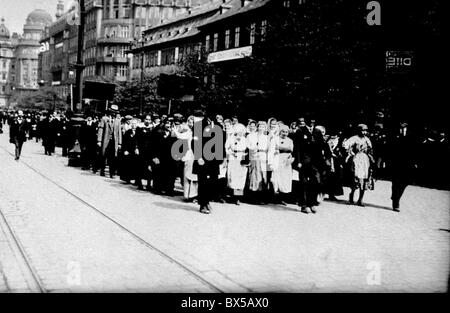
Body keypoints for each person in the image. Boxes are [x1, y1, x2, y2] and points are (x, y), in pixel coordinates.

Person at [192, 111, 224, 214]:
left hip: (214, 160)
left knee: (213, 182)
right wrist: (198, 157)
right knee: (203, 182)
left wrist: (221, 158)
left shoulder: (219, 125)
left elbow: (221, 142)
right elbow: (195, 142)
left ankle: (207, 200)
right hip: (202, 158)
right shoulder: (198, 125)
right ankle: (202, 204)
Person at [387, 121, 418, 212]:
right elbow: (389, 146)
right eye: (401, 121)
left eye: (405, 121)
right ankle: (396, 203)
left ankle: (395, 196)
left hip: (407, 162)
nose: (402, 123)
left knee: (406, 181)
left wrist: (415, 161)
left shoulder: (412, 134)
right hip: (395, 161)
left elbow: (415, 148)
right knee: (395, 181)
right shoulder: (393, 132)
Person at [345, 124, 375, 206]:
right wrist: (351, 152)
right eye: (362, 130)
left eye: (365, 131)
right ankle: (352, 194)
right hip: (356, 159)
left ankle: (360, 199)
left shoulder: (367, 139)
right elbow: (346, 145)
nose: (364, 132)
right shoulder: (354, 138)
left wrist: (370, 155)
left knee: (364, 178)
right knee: (356, 178)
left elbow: (370, 149)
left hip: (365, 160)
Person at [150, 118, 178, 195]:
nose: (168, 125)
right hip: (160, 156)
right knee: (159, 173)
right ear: (164, 124)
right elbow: (153, 146)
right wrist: (154, 157)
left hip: (170, 157)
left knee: (170, 174)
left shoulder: (174, 134)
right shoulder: (158, 132)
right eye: (167, 123)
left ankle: (169, 189)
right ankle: (157, 188)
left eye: (170, 124)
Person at [270, 124, 295, 205]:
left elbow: (291, 150)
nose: (284, 133)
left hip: (286, 162)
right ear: (280, 132)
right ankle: (274, 197)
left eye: (286, 132)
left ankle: (282, 198)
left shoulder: (290, 140)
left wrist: (280, 148)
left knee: (285, 179)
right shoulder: (275, 139)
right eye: (283, 131)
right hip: (277, 160)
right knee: (276, 178)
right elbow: (272, 150)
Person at [246, 121, 270, 204]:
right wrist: (253, 149)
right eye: (260, 126)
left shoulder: (267, 137)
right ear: (257, 127)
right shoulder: (251, 136)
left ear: (265, 128)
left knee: (263, 176)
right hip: (254, 156)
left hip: (263, 157)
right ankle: (253, 196)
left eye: (263, 127)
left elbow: (269, 148)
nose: (261, 128)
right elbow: (248, 145)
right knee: (254, 176)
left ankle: (262, 197)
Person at [225, 123, 249, 205]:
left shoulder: (245, 139)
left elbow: (249, 149)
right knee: (232, 176)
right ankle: (232, 196)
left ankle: (238, 198)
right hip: (233, 158)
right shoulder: (231, 138)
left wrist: (244, 154)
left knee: (241, 177)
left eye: (241, 131)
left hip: (241, 158)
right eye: (238, 131)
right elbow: (226, 147)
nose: (239, 133)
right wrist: (231, 153)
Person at [97, 105, 122, 178]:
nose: (113, 113)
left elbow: (119, 132)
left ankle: (112, 173)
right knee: (103, 155)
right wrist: (99, 140)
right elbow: (101, 129)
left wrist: (120, 143)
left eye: (115, 112)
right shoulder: (104, 119)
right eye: (112, 112)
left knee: (113, 157)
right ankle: (102, 170)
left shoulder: (117, 121)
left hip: (114, 142)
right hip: (105, 140)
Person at [121, 119, 141, 187]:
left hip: (138, 151)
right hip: (129, 151)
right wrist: (125, 150)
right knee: (129, 164)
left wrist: (138, 149)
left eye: (135, 123)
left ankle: (137, 180)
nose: (133, 125)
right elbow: (125, 142)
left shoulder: (140, 131)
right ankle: (128, 179)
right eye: (132, 123)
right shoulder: (128, 132)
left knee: (137, 165)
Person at [136, 115, 154, 191]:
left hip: (149, 151)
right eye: (146, 119)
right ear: (144, 120)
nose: (147, 121)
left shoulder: (152, 129)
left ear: (150, 121)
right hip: (141, 150)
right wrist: (136, 148)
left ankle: (149, 184)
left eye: (149, 120)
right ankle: (139, 183)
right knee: (140, 166)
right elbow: (136, 139)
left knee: (149, 167)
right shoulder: (139, 128)